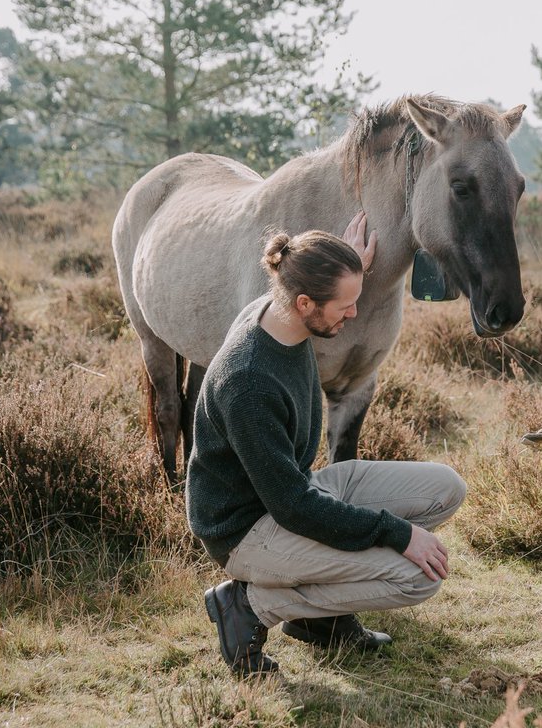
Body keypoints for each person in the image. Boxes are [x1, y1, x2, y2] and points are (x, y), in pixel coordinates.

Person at [187, 214, 466, 676]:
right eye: (345, 305)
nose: (353, 313)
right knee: (416, 577)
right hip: (248, 528)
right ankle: (249, 605)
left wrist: (351, 263)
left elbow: (297, 495)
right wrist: (398, 534)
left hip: (296, 490)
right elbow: (293, 507)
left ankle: (319, 621)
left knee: (445, 487)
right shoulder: (249, 382)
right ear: (304, 303)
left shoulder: (277, 311)